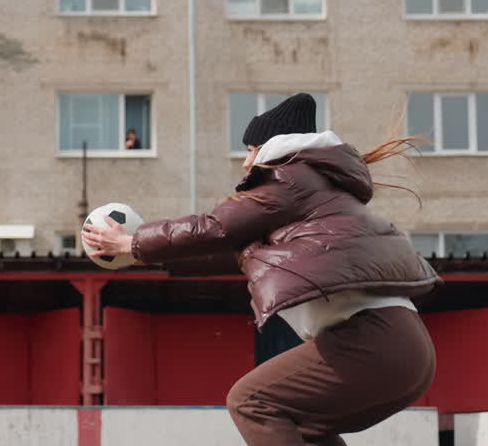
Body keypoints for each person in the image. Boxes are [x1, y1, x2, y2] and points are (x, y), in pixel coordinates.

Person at [83, 93, 438, 446]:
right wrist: (149, 254)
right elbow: (230, 249)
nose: (245, 163)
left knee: (251, 402)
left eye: (251, 150)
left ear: (273, 147)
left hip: (371, 340)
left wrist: (132, 244)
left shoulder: (290, 179)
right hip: (405, 351)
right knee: (300, 428)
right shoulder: (316, 190)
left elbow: (213, 227)